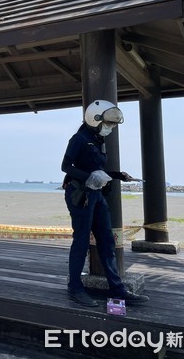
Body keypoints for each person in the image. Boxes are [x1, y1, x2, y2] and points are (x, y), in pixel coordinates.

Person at [61, 100, 149, 308]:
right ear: (95, 119)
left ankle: (117, 289)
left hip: (96, 195)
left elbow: (97, 170)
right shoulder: (79, 139)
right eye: (108, 124)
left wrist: (117, 175)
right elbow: (66, 166)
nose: (110, 128)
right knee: (81, 241)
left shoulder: (97, 139)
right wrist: (88, 177)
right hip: (80, 195)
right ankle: (75, 288)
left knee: (107, 240)